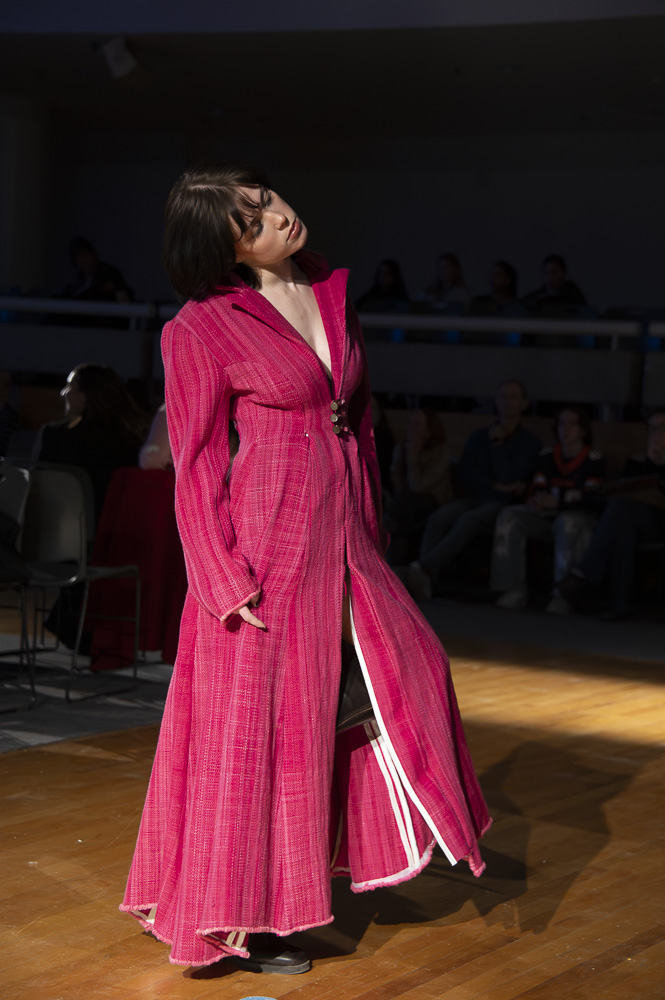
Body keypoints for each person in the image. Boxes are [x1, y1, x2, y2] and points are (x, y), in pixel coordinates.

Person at [120, 164, 490, 974]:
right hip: (266, 551)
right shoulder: (199, 328)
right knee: (269, 741)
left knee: (412, 672)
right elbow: (194, 464)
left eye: (267, 201)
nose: (276, 217)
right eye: (250, 222)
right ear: (224, 250)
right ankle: (253, 918)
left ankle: (329, 869)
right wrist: (222, 581)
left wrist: (372, 535)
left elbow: (359, 422)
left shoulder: (328, 292)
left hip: (346, 542)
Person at [37, 363, 148, 649]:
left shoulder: (55, 437)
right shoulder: (132, 442)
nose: (63, 393)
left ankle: (69, 627)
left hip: (47, 544)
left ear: (87, 395)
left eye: (70, 386)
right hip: (114, 544)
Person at [408, 380, 541, 600]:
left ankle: (423, 569)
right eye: (502, 396)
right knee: (439, 517)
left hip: (503, 504)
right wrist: (496, 485)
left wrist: (497, 444)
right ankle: (425, 582)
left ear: (524, 404)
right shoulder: (479, 436)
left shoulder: (529, 443)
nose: (507, 402)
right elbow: (467, 473)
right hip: (474, 497)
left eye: (513, 397)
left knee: (470, 519)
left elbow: (512, 480)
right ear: (495, 401)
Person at [490, 406, 605, 614]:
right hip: (547, 515)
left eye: (572, 424)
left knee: (567, 522)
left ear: (583, 430)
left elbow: (592, 501)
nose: (565, 429)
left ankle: (563, 593)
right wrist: (540, 501)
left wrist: (558, 504)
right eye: (561, 424)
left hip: (579, 519)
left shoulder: (594, 460)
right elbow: (539, 489)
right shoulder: (547, 455)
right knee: (509, 516)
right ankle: (513, 589)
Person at [561, 407, 665, 619]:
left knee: (620, 515)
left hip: (660, 522)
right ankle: (620, 604)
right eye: (653, 428)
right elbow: (624, 490)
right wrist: (650, 462)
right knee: (622, 523)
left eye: (662, 427)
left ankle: (585, 573)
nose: (657, 433)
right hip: (635, 521)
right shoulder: (637, 461)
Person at [384, 408, 451, 564]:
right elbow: (397, 483)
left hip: (432, 501)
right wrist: (401, 456)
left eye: (417, 425)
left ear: (429, 431)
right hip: (405, 504)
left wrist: (412, 456)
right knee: (404, 516)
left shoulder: (441, 453)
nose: (410, 429)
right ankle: (398, 569)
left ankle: (381, 532)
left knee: (406, 504)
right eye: (409, 424)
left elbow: (418, 487)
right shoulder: (401, 448)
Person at [64, 237, 133, 303]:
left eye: (86, 254)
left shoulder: (108, 272)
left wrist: (114, 290)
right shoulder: (77, 280)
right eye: (80, 256)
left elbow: (125, 299)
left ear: (94, 254)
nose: (85, 260)